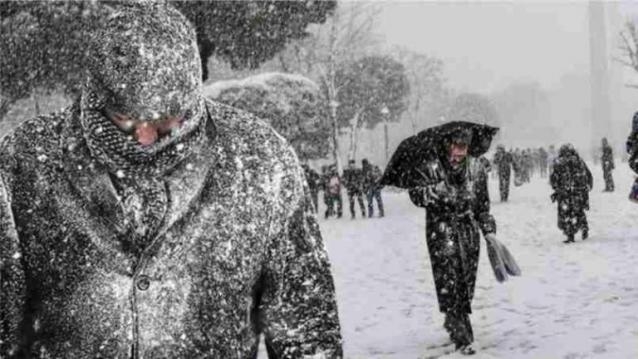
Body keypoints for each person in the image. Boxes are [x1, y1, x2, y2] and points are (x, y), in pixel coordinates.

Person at [0, 4, 342, 358]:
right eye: (124, 119)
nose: (146, 138)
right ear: (93, 95)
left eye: (166, 121)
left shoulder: (261, 159)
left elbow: (306, 327)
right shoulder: (24, 162)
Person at [407, 127, 496, 355]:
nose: (458, 153)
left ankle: (453, 317)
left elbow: (483, 206)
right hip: (441, 230)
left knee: (466, 283)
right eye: (455, 147)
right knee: (450, 280)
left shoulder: (477, 169)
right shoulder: (432, 166)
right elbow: (416, 194)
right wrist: (433, 191)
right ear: (448, 146)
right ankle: (462, 335)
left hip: (468, 233)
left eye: (463, 148)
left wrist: (489, 231)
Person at [550, 144, 593, 243]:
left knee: (566, 213)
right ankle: (584, 227)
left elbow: (554, 178)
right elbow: (588, 174)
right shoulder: (579, 161)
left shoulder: (559, 162)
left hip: (565, 192)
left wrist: (556, 188)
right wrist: (588, 186)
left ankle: (570, 234)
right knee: (579, 211)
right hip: (578, 191)